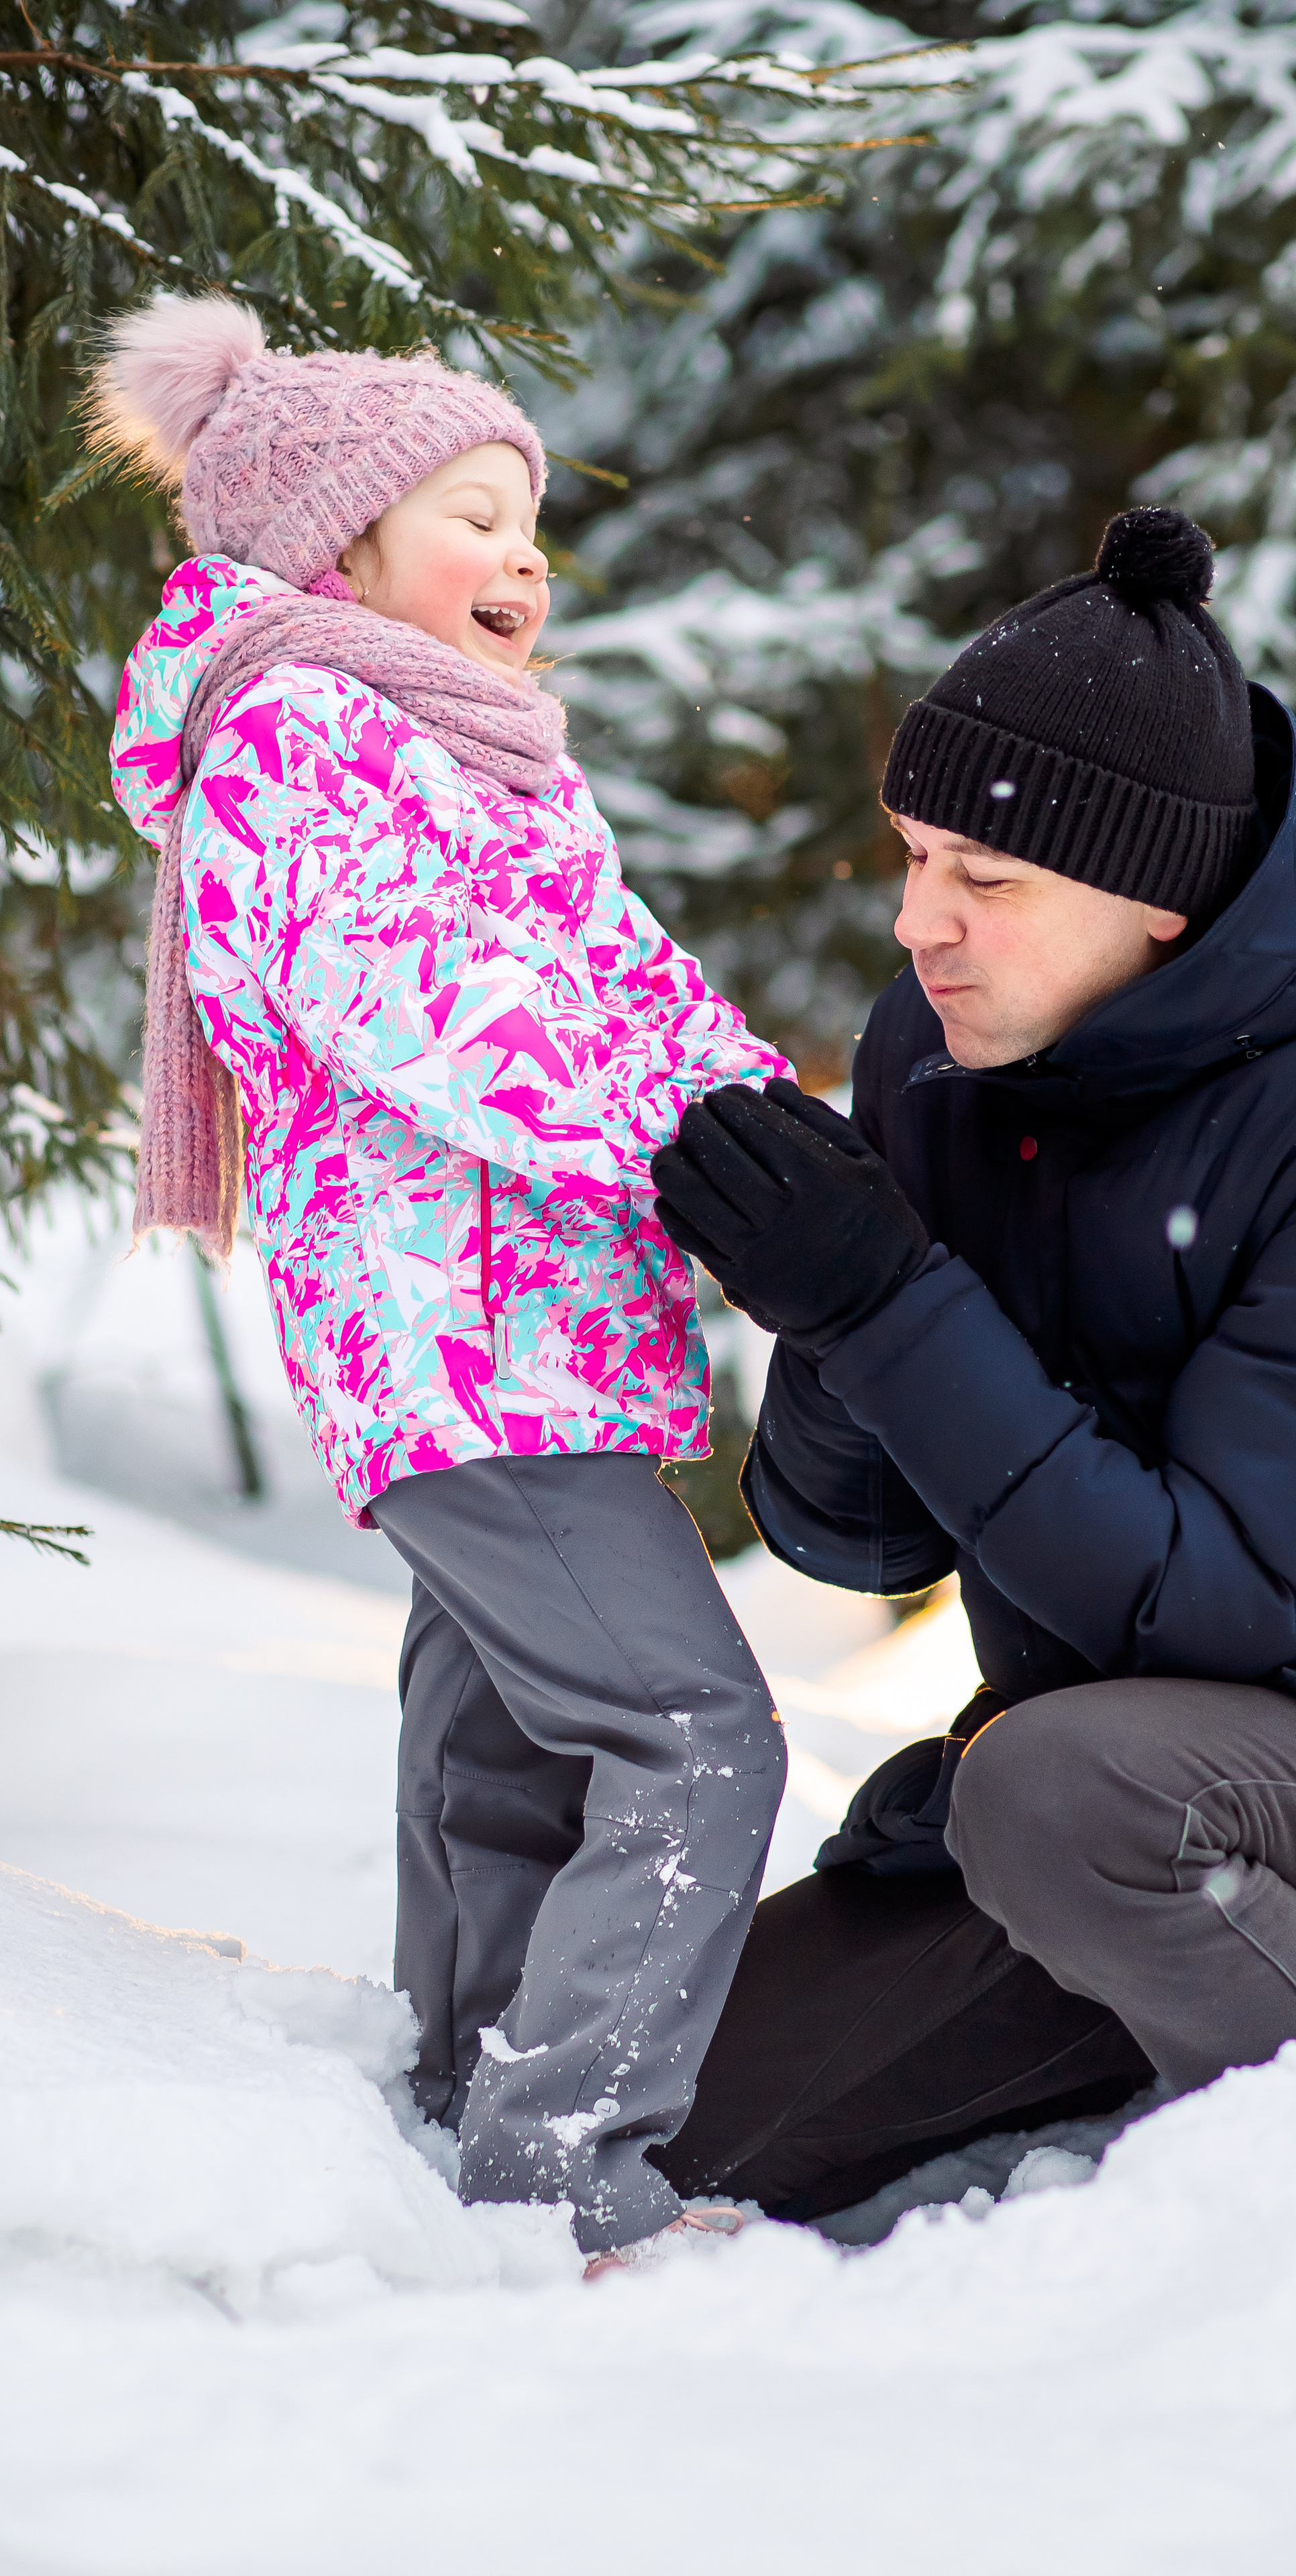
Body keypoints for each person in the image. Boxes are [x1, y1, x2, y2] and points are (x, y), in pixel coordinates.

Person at [649, 505, 1296, 2225]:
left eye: (983, 879)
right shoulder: (946, 1046)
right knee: (667, 2112)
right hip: (1092, 1800)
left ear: (1159, 900)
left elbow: (1224, 1600)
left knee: (1057, 1790)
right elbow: (858, 1543)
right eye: (908, 857)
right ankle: (1155, 1997)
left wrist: (891, 1308)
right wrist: (823, 1303)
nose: (915, 925)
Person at [97, 292, 789, 2268]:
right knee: (692, 1737)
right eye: (473, 514)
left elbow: (625, 980)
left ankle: (451, 2115)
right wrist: (687, 1151)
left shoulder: (474, 758)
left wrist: (771, 1123)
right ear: (333, 543)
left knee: (503, 1750)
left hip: (527, 1343)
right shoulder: (298, 736)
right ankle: (565, 2172)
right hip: (461, 1340)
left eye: (531, 523)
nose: (522, 556)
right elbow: (424, 1004)